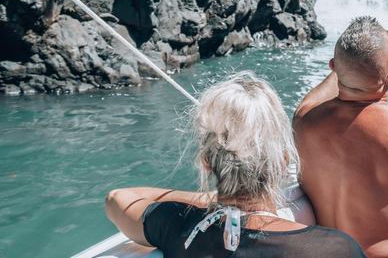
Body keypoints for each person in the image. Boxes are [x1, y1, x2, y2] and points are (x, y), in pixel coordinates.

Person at [105, 73, 367, 258]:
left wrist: (208, 200)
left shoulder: (179, 227)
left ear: (206, 162)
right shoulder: (335, 249)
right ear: (283, 160)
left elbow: (117, 199)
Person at [293, 16, 388, 258]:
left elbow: (311, 100)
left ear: (332, 67)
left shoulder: (304, 121)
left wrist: (350, 63)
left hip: (326, 254)